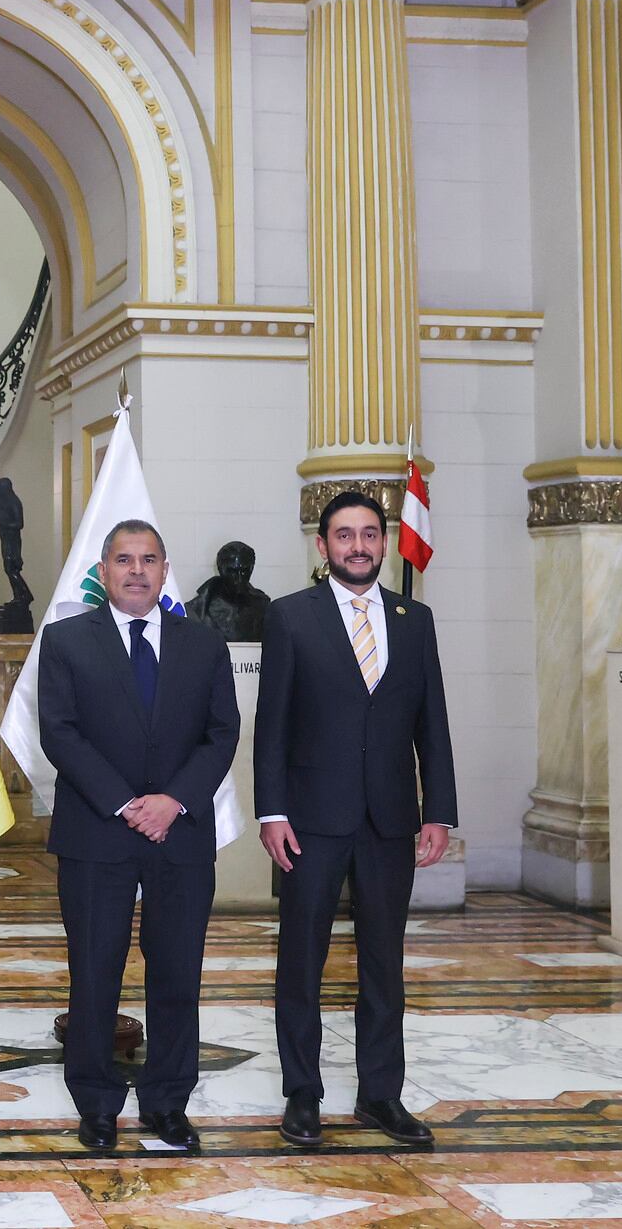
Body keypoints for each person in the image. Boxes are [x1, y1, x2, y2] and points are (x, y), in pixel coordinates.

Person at [256, 490, 457, 1149]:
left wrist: (440, 812)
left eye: (370, 533)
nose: (359, 545)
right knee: (301, 959)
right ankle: (303, 1094)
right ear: (323, 546)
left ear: (384, 539)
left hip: (392, 820)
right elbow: (273, 728)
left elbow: (433, 725)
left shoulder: (415, 618)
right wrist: (272, 811)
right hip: (310, 819)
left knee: (383, 961)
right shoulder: (290, 618)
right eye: (345, 535)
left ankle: (380, 1094)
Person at [37, 519, 239, 1152]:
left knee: (177, 973)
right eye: (123, 559)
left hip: (180, 835)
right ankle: (95, 1103)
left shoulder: (203, 643)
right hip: (97, 833)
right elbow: (59, 732)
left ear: (164, 569)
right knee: (95, 973)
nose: (136, 570)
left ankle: (167, 1101)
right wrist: (126, 803)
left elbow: (221, 734)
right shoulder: (68, 640)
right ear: (103, 571)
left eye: (148, 559)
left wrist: (172, 801)